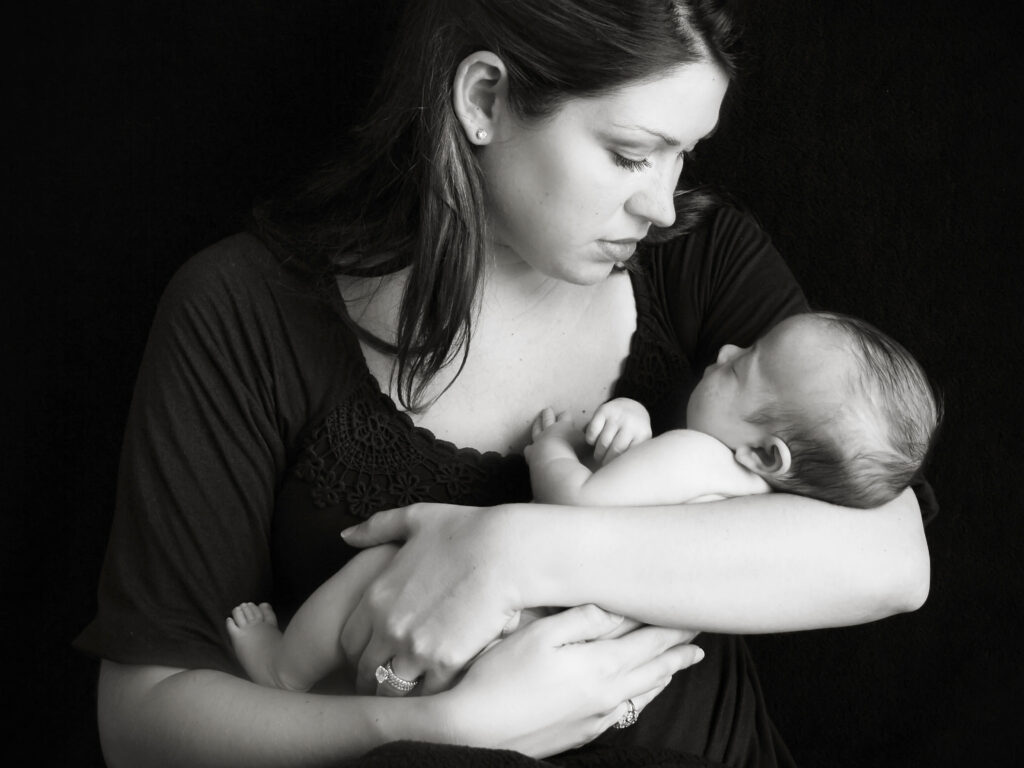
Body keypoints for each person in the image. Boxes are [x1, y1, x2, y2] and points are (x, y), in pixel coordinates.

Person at [76, 2, 936, 766]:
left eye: (686, 156)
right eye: (632, 154)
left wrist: (504, 554)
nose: (665, 207)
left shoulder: (704, 263)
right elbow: (143, 725)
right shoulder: (244, 312)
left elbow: (892, 559)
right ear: (484, 99)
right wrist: (437, 730)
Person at [224, 310, 939, 700]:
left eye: (742, 365)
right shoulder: (758, 503)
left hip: (510, 613)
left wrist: (551, 451)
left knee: (383, 562)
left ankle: (282, 669)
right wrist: (631, 425)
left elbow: (580, 507)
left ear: (766, 454)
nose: (722, 347)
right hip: (579, 664)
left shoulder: (697, 454)